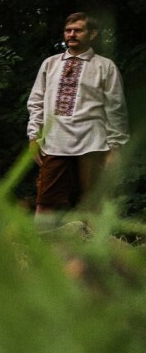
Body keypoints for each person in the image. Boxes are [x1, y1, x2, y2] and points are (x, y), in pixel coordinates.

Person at [27, 12, 130, 215]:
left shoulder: (104, 66)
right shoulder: (50, 64)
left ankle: (92, 246)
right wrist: (33, 136)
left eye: (78, 30)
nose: (72, 34)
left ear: (92, 34)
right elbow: (36, 102)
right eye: (68, 30)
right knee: (46, 202)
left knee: (92, 204)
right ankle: (41, 244)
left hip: (93, 143)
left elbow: (115, 108)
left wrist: (115, 146)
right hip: (54, 143)